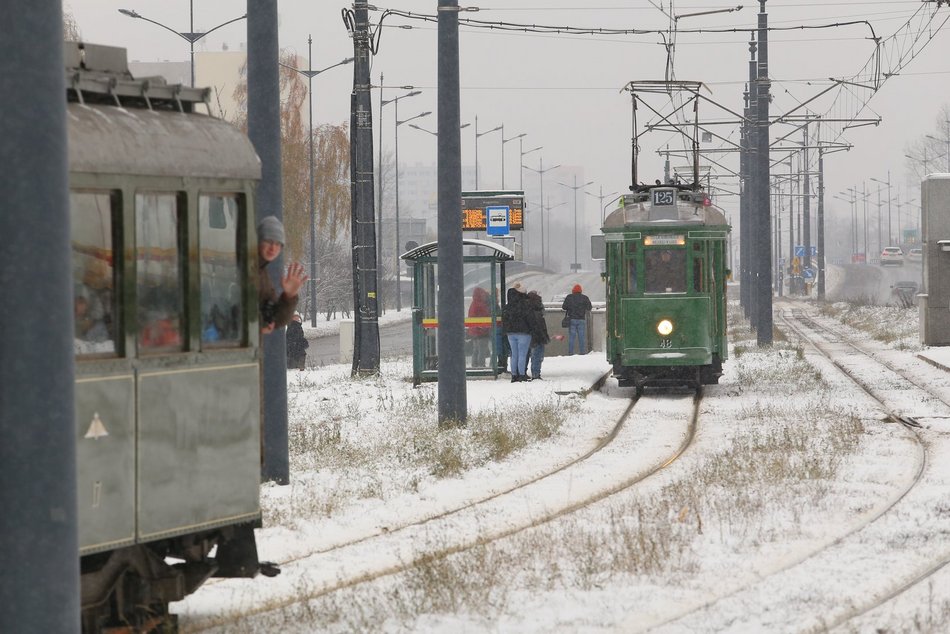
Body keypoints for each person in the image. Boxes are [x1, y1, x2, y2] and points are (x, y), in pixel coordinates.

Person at [258, 216, 308, 333]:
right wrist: (259, 325)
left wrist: (289, 297)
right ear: (259, 240)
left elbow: (278, 320)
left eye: (278, 244)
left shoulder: (262, 273)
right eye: (269, 241)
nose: (273, 248)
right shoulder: (246, 269)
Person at [501, 283, 532, 382]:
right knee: (522, 354)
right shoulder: (524, 305)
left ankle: (514, 375)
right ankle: (522, 375)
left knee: (514, 354)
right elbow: (529, 319)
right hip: (524, 332)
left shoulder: (507, 307)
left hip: (511, 333)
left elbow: (504, 320)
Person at [561, 283, 592, 355]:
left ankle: (570, 352)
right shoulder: (585, 298)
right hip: (581, 319)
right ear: (581, 291)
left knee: (572, 337)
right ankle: (582, 352)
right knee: (581, 337)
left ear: (573, 290)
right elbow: (589, 308)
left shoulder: (569, 297)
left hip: (572, 319)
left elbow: (564, 307)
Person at [526, 290, 550, 380]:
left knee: (533, 355)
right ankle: (536, 374)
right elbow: (540, 324)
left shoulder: (527, 308)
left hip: (531, 335)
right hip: (538, 335)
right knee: (537, 355)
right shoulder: (537, 310)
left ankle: (534, 373)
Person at [467, 287, 491, 367]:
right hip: (481, 331)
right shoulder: (480, 305)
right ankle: (481, 365)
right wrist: (484, 327)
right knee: (482, 350)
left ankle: (474, 365)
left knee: (476, 349)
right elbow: (485, 315)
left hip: (474, 331)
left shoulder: (473, 303)